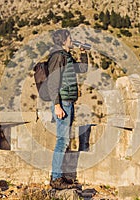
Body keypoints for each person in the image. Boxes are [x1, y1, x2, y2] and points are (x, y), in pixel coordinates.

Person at [48, 29, 88, 190]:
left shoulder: (66, 56)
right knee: (62, 141)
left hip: (68, 102)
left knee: (64, 141)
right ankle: (56, 178)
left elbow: (83, 69)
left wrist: (83, 53)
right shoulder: (58, 56)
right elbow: (52, 82)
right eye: (70, 37)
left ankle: (59, 175)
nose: (73, 40)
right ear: (64, 40)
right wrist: (57, 105)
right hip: (63, 103)